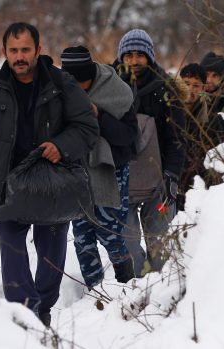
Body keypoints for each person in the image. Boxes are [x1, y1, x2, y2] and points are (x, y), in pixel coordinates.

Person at [0, 22, 99, 326]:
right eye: (13, 51)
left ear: (38, 50)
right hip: (6, 185)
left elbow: (88, 128)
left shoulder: (61, 83)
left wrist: (60, 145)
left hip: (53, 183)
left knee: (51, 253)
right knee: (12, 254)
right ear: (4, 52)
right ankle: (24, 317)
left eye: (25, 49)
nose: (19, 57)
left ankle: (43, 309)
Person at [60, 46, 137, 289]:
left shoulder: (116, 91)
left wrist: (99, 116)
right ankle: (95, 291)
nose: (80, 88)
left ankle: (126, 284)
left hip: (111, 170)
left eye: (84, 82)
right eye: (75, 83)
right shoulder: (61, 91)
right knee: (82, 238)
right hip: (77, 171)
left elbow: (128, 137)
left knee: (111, 233)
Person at [113, 29, 186, 277]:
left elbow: (177, 139)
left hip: (159, 183)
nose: (134, 61)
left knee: (160, 246)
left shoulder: (165, 90)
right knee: (127, 244)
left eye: (140, 55)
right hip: (121, 181)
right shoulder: (109, 86)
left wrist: (172, 176)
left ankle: (160, 292)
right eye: (129, 55)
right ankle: (137, 289)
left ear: (150, 57)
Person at [177, 62, 224, 211]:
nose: (190, 89)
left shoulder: (213, 121)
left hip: (198, 194)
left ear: (203, 88)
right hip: (169, 189)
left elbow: (216, 163)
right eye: (186, 83)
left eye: (196, 86)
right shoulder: (169, 115)